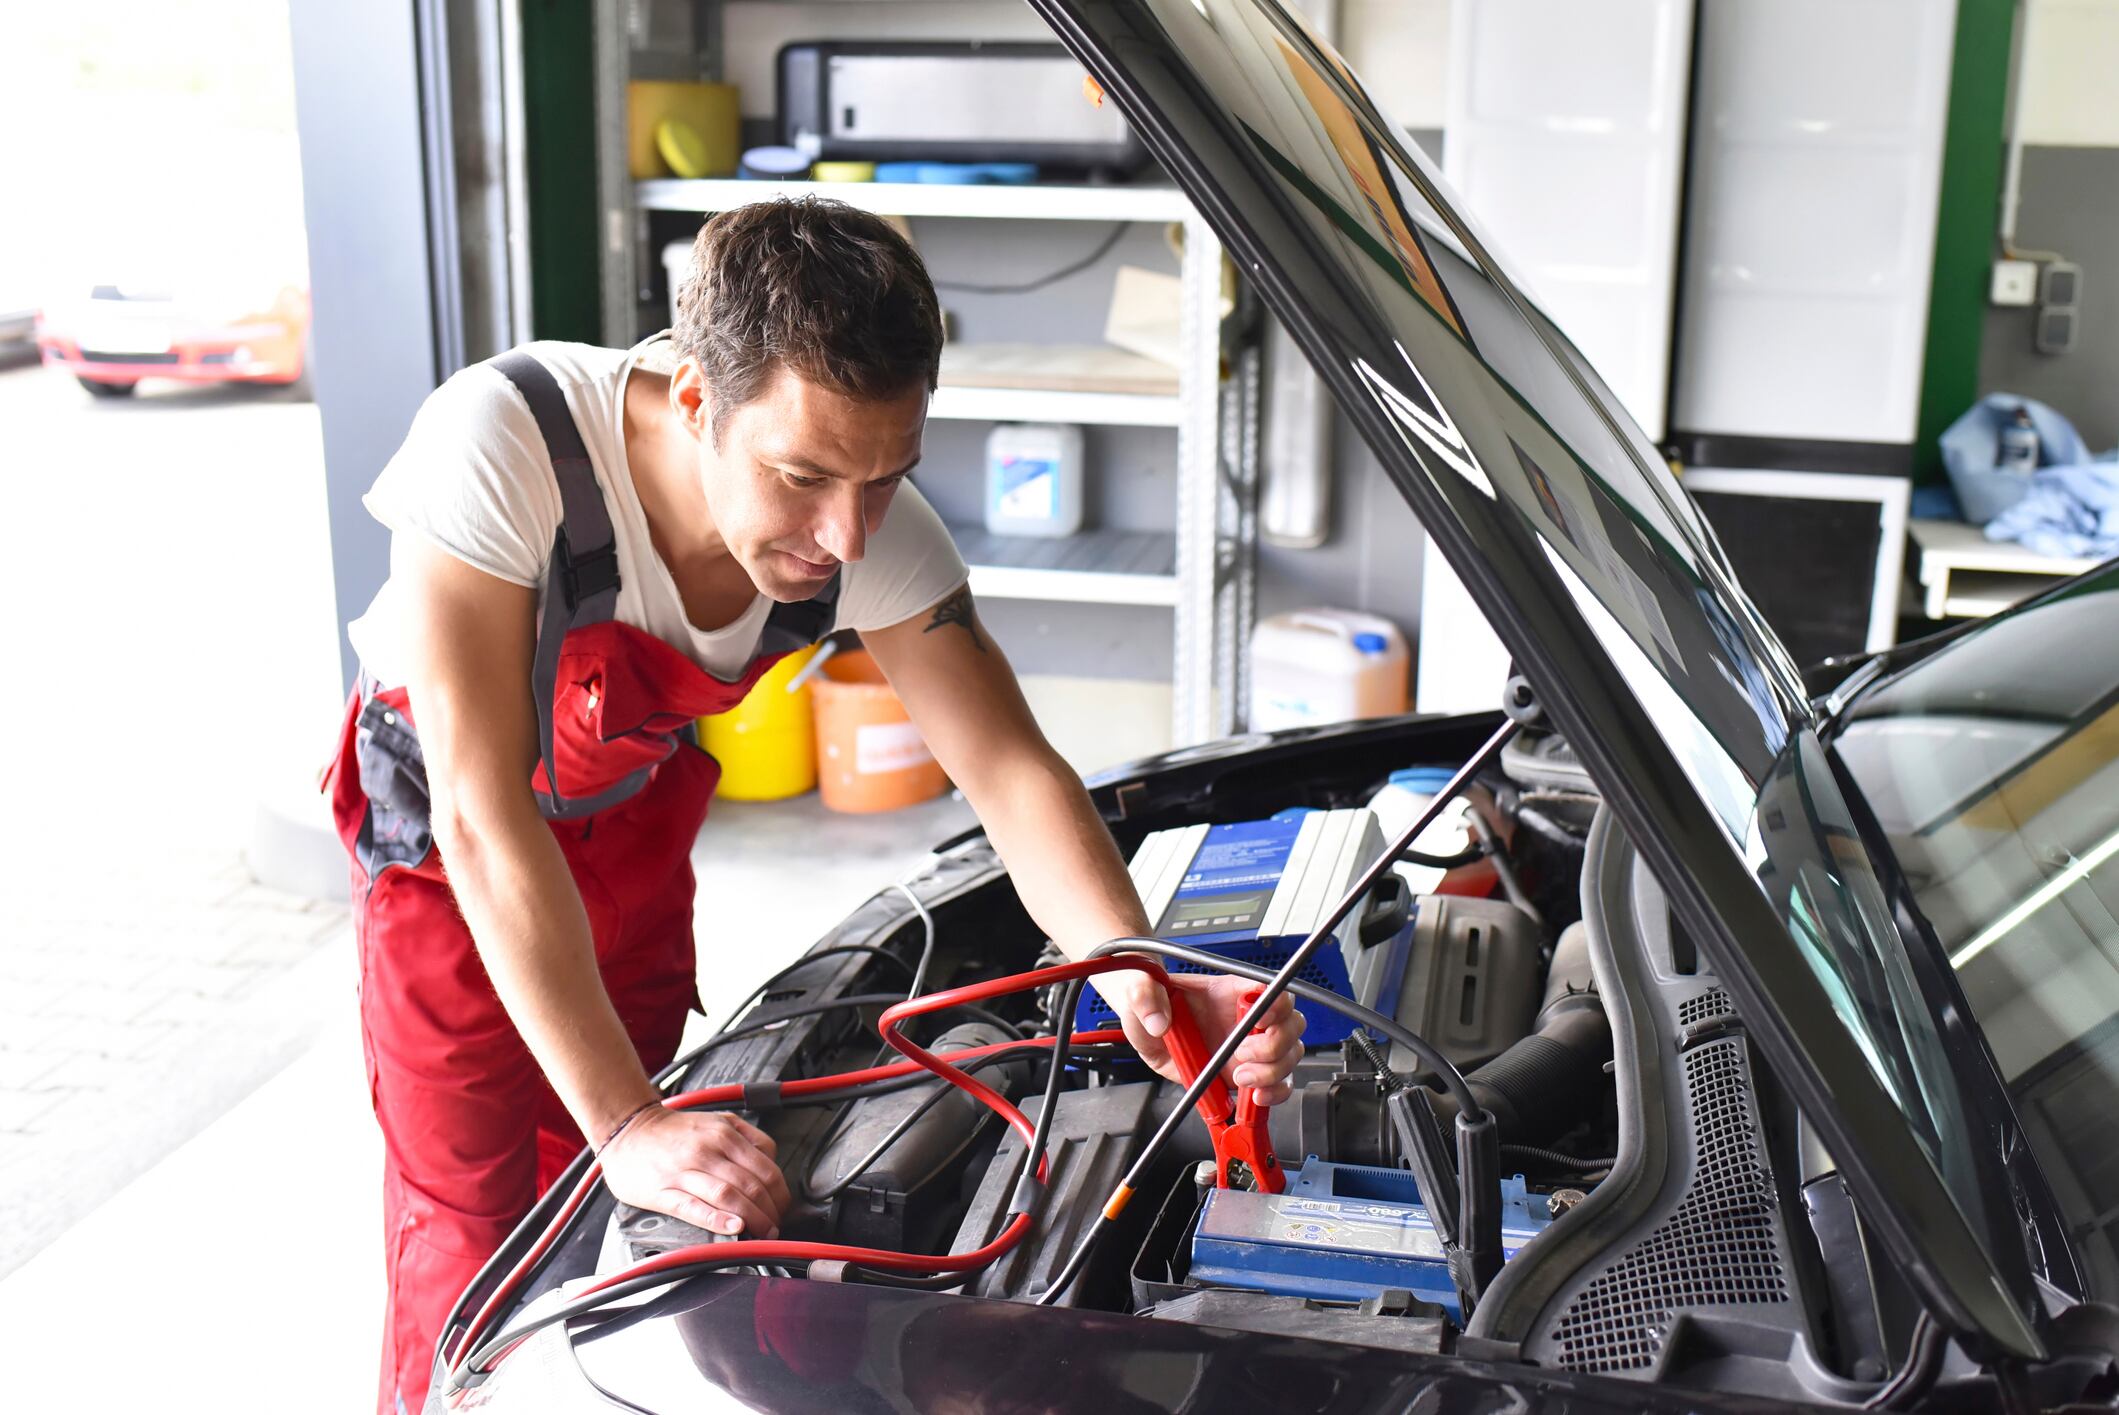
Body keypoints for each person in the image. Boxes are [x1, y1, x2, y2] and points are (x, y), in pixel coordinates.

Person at [323, 196, 1305, 1415]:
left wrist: (1143, 975)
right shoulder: (507, 440)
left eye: (887, 476)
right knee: (469, 1222)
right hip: (451, 852)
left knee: (613, 1205)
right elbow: (480, 810)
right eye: (802, 476)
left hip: (627, 824)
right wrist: (627, 1117)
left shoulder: (864, 528)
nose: (845, 533)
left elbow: (1010, 771)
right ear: (694, 401)